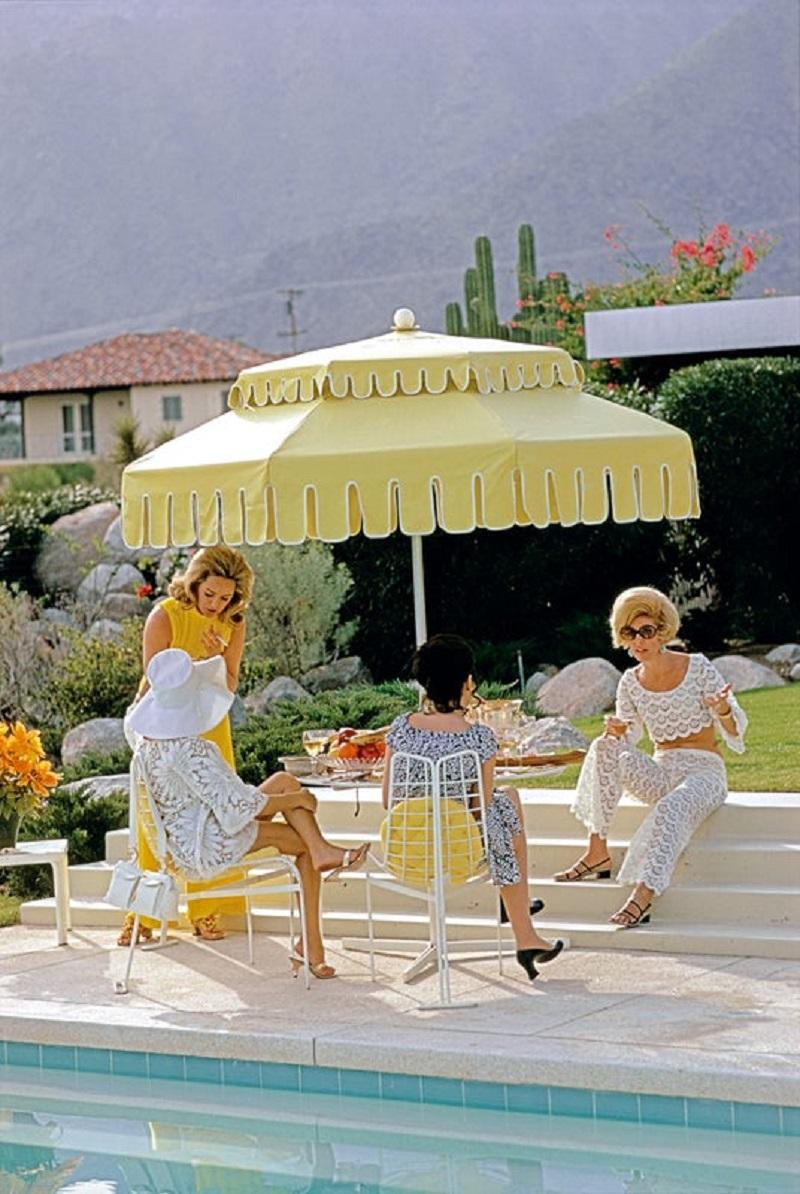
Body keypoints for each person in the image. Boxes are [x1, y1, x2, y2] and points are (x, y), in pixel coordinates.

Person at [126, 648, 369, 980]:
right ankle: (312, 943)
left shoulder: (144, 741)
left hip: (179, 840)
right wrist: (301, 799)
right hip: (203, 846)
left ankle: (322, 857)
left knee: (283, 782)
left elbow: (234, 802)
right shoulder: (191, 750)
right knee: (301, 841)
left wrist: (290, 794)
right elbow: (237, 810)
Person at [554, 586, 747, 927]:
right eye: (630, 633)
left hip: (705, 773)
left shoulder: (697, 666)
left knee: (672, 807)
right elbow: (628, 736)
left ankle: (643, 895)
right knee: (603, 746)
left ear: (662, 631)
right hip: (662, 773)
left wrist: (722, 708)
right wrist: (615, 731)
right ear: (622, 637)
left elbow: (734, 730)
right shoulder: (630, 681)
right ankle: (597, 850)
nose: (640, 640)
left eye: (647, 631)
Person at [382, 634, 563, 983]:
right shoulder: (478, 737)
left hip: (405, 850)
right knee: (505, 803)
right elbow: (480, 806)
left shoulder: (400, 728)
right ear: (466, 682)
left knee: (504, 801)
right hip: (456, 852)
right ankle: (519, 916)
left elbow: (388, 800)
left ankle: (519, 915)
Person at [120, 544, 254, 946]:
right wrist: (198, 656)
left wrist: (215, 660)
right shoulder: (165, 615)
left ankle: (207, 910)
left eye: (225, 597)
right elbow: (155, 681)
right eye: (209, 594)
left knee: (213, 817)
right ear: (193, 584)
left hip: (210, 728)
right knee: (155, 822)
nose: (216, 604)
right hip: (163, 729)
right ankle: (140, 914)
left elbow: (229, 683)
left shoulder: (234, 622)